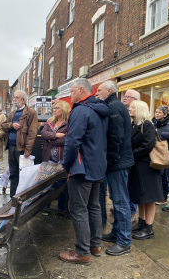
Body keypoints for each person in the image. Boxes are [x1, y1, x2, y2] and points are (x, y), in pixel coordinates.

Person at [59, 79, 111, 265]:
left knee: (79, 209)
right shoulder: (101, 109)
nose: (70, 95)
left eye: (72, 91)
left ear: (82, 90)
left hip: (82, 168)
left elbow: (72, 142)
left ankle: (82, 252)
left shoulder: (80, 110)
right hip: (98, 165)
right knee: (94, 207)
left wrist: (66, 165)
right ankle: (95, 245)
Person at [96, 81, 135, 256]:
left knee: (120, 202)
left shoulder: (114, 106)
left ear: (109, 91)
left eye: (99, 90)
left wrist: (110, 160)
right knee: (117, 200)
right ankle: (117, 233)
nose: (97, 93)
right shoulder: (113, 105)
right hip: (118, 161)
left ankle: (124, 241)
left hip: (117, 162)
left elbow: (115, 137)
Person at [128, 100, 163, 240]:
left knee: (149, 198)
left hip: (147, 166)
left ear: (140, 109)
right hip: (137, 165)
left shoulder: (147, 124)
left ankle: (149, 228)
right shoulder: (134, 125)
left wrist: (131, 155)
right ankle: (141, 222)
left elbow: (148, 145)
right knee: (140, 196)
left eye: (132, 107)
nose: (129, 109)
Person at [1, 90, 38, 198]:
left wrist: (28, 150)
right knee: (13, 174)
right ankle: (13, 199)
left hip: (22, 148)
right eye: (14, 97)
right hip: (11, 147)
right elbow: (3, 126)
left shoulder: (31, 112)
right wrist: (12, 125)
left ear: (23, 100)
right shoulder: (12, 113)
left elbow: (32, 132)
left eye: (17, 97)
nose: (14, 99)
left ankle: (22, 198)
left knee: (23, 175)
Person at [41, 100, 71, 211]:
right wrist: (55, 135)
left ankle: (61, 209)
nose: (54, 110)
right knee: (47, 183)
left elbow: (67, 139)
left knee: (61, 185)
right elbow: (43, 134)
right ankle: (46, 207)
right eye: (54, 108)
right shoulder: (50, 121)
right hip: (48, 157)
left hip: (61, 158)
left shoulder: (69, 123)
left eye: (57, 108)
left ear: (64, 110)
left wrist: (51, 139)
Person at [122, 89, 140, 219]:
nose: (124, 98)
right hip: (126, 155)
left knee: (132, 183)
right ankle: (127, 206)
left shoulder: (139, 118)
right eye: (124, 96)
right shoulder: (125, 113)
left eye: (127, 96)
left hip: (135, 157)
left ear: (135, 100)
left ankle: (132, 210)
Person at [152, 105, 169, 205]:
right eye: (156, 112)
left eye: (159, 112)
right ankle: (156, 194)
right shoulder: (153, 123)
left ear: (165, 114)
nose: (157, 114)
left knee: (163, 175)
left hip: (163, 151)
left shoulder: (168, 125)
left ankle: (163, 197)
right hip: (154, 151)